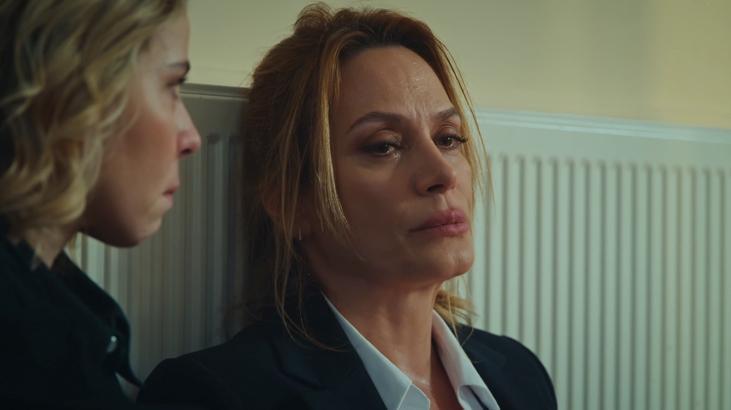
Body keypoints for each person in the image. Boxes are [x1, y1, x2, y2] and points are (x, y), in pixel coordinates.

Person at [138, 4, 557, 410]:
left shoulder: (521, 373)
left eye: (448, 138)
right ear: (292, 203)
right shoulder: (215, 394)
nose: (442, 173)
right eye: (384, 145)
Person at [0, 0, 202, 408]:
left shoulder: (53, 312)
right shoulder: (29, 359)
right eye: (171, 85)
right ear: (75, 92)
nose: (192, 138)